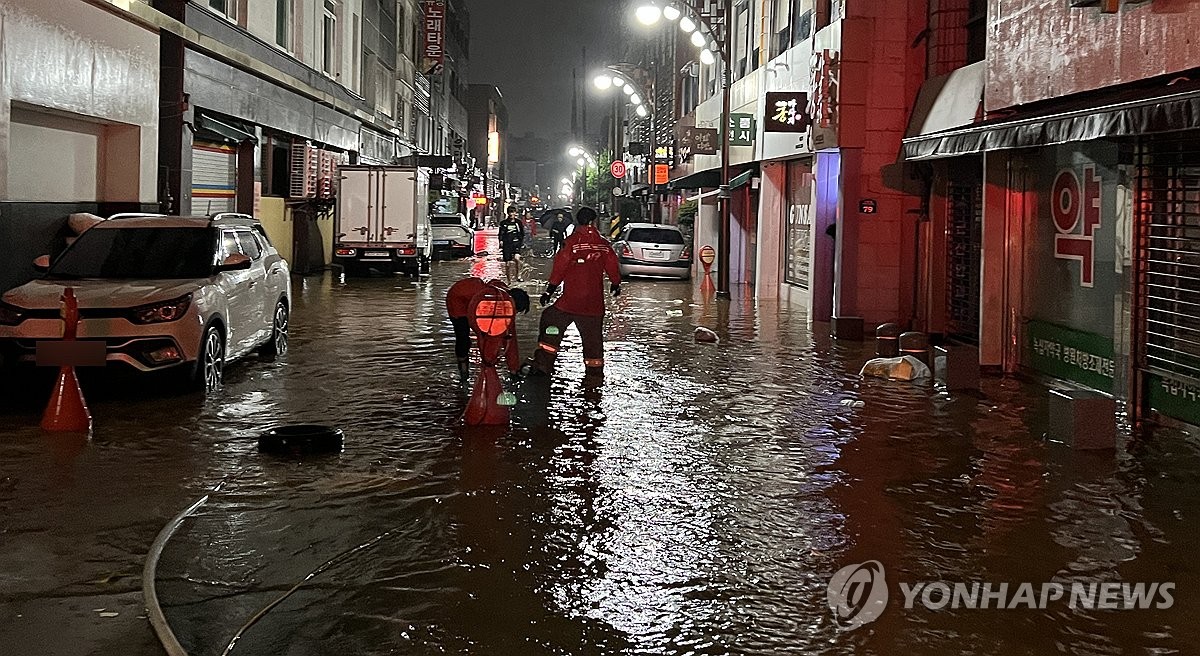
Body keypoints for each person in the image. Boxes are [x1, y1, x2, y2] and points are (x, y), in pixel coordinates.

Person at [522, 206, 621, 379]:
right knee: (593, 342)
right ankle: (594, 377)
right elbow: (613, 266)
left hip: (569, 303)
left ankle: (543, 364)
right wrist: (616, 283)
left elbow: (559, 269)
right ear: (593, 222)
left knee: (550, 321)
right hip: (594, 305)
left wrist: (549, 292)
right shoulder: (604, 245)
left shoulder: (571, 242)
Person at [445, 277, 530, 381]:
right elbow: (484, 337)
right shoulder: (496, 303)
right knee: (463, 339)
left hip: (470, 294)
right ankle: (463, 373)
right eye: (516, 311)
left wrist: (513, 369)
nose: (514, 314)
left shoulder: (504, 302)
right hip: (457, 300)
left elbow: (510, 338)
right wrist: (488, 362)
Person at [498, 206, 526, 282]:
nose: (511, 214)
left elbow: (522, 233)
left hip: (516, 243)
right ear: (508, 213)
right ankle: (509, 280)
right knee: (507, 263)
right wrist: (500, 241)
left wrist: (521, 242)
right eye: (510, 212)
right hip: (507, 244)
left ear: (515, 213)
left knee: (517, 259)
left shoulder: (518, 223)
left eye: (513, 212)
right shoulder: (503, 223)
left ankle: (518, 275)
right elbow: (500, 233)